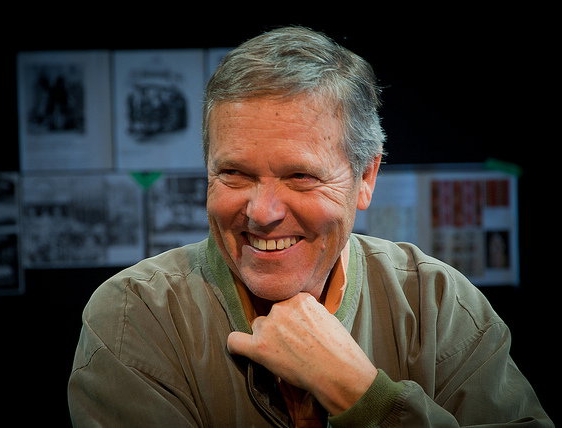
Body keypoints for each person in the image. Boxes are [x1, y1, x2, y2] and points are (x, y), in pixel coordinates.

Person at [67, 26, 552, 427]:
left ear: (365, 178)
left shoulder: (436, 303)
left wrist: (363, 396)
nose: (262, 212)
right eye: (234, 173)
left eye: (300, 176)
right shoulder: (137, 315)